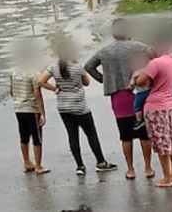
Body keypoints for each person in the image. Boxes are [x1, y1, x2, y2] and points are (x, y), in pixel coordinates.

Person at [84, 18, 154, 180]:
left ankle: (130, 169)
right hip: (139, 93)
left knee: (125, 135)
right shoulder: (139, 47)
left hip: (118, 97)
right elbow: (154, 58)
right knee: (144, 133)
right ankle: (148, 167)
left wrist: (104, 79)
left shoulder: (105, 51)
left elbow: (88, 66)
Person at [38, 40, 118, 175]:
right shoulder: (77, 67)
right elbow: (86, 83)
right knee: (91, 134)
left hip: (63, 106)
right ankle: (101, 162)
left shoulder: (53, 66)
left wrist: (54, 88)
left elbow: (40, 81)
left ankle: (80, 166)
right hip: (80, 106)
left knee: (72, 135)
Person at [135, 40, 172, 188]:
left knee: (162, 142)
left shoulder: (156, 63)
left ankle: (166, 178)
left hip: (156, 106)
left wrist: (139, 75)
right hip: (171, 105)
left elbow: (141, 82)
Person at [9, 40, 54, 175]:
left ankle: (27, 162)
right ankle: (39, 166)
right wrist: (42, 113)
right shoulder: (34, 73)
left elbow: (11, 90)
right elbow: (37, 93)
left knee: (23, 136)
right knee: (37, 137)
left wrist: (18, 100)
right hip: (31, 109)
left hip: (19, 108)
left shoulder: (13, 72)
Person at [127, 53, 151, 131]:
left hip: (141, 92)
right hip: (150, 90)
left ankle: (139, 120)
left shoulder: (136, 72)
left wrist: (130, 86)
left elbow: (131, 84)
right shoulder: (149, 69)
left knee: (137, 107)